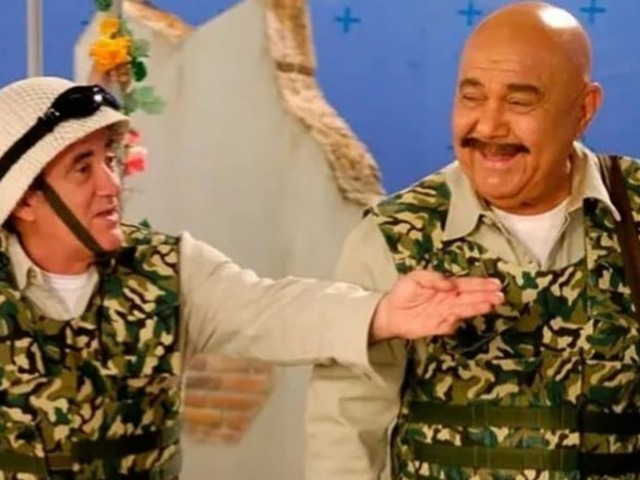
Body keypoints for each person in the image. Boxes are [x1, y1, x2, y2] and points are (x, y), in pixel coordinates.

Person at [0, 75, 503, 478]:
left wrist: (381, 312)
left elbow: (271, 308)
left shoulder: (164, 270)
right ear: (24, 199)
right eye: (82, 169)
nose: (112, 184)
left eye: (110, 160)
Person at [305, 2, 640, 479]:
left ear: (583, 109)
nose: (488, 125)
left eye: (519, 101)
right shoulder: (396, 235)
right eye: (471, 97)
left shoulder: (633, 212)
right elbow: (346, 429)